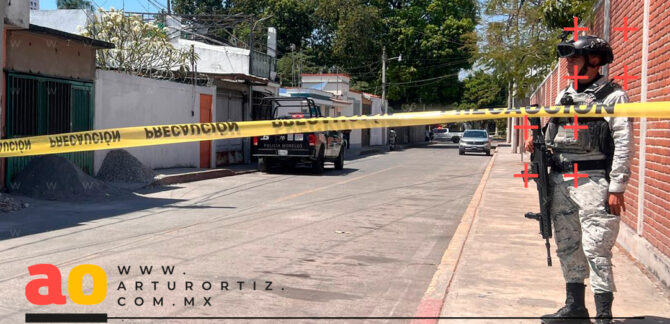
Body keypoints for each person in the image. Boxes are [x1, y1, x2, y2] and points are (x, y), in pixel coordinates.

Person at [524, 35, 632, 324]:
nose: (569, 63)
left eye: (575, 57)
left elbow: (623, 143)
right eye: (568, 58)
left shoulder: (613, 95)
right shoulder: (565, 95)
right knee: (567, 244)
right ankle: (575, 308)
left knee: (596, 248)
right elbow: (552, 132)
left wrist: (617, 186)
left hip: (594, 179)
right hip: (560, 179)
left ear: (594, 61)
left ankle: (604, 315)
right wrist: (536, 144)